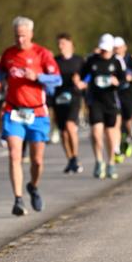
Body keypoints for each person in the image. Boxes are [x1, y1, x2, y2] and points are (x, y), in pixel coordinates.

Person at [0, 17, 61, 216]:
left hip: (38, 112)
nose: (20, 40)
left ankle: (33, 186)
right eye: (17, 36)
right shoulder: (8, 54)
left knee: (37, 160)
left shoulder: (43, 53)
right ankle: (17, 200)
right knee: (15, 154)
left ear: (31, 34)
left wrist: (38, 77)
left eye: (23, 36)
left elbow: (57, 79)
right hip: (14, 111)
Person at [80, 34, 124, 179]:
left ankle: (111, 163)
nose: (104, 52)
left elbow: (123, 81)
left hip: (110, 102)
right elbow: (83, 75)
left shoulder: (116, 62)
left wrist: (116, 81)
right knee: (96, 133)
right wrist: (81, 81)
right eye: (102, 49)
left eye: (107, 49)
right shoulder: (92, 61)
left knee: (110, 135)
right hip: (95, 101)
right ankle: (99, 161)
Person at [53, 33, 84, 174]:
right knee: (63, 133)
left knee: (70, 126)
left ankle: (76, 157)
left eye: (63, 43)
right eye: (59, 44)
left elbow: (87, 76)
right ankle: (70, 159)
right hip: (58, 98)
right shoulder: (55, 61)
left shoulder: (78, 60)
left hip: (74, 97)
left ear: (71, 44)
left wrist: (80, 81)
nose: (60, 47)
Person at [112, 37, 132, 162]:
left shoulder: (130, 60)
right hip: (115, 93)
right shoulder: (112, 60)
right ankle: (118, 145)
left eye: (118, 48)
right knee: (117, 120)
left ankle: (127, 137)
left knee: (127, 118)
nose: (117, 50)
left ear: (124, 47)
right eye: (115, 48)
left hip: (128, 92)